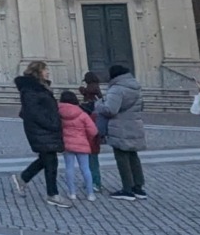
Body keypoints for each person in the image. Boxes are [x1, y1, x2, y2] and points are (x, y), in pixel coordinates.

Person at [10, 61, 68, 208]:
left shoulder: (39, 87)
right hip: (41, 130)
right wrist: (52, 123)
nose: (48, 72)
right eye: (45, 69)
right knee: (50, 162)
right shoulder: (31, 89)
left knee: (47, 160)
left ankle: (23, 178)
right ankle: (52, 194)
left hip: (45, 129)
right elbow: (33, 112)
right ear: (38, 71)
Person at [96, 64, 147, 201]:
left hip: (120, 127)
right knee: (133, 156)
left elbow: (110, 110)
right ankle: (138, 187)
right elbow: (141, 106)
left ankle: (127, 189)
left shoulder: (117, 89)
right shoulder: (136, 87)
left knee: (122, 158)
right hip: (134, 125)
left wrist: (98, 105)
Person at [58, 91, 98, 201]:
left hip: (67, 144)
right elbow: (93, 131)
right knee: (85, 168)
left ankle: (72, 193)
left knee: (69, 168)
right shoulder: (82, 114)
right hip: (82, 143)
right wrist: (87, 138)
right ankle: (90, 194)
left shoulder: (59, 113)